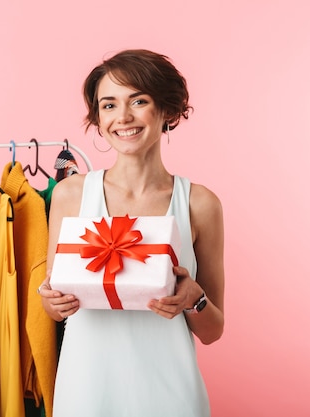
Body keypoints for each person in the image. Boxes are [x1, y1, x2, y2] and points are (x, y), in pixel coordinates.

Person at [38, 49, 225, 416]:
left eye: (138, 101)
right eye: (108, 105)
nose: (122, 117)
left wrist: (193, 297)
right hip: (86, 392)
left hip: (172, 396)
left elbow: (213, 330)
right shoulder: (70, 194)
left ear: (168, 110)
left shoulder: (200, 204)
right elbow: (52, 304)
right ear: (97, 118)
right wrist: (52, 301)